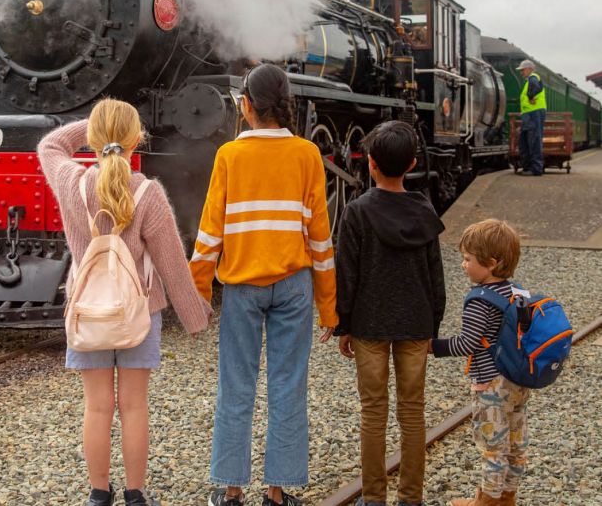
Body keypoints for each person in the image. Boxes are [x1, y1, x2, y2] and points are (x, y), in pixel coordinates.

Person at [38, 98, 211, 506]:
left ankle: (99, 494)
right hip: (139, 314)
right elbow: (172, 264)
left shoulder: (71, 182)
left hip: (87, 315)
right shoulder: (148, 193)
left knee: (97, 408)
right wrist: (195, 318)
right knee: (133, 407)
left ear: (94, 140)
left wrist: (98, 128)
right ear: (138, 140)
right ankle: (136, 495)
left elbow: (49, 146)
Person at [189, 63, 338, 506]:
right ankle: (277, 492)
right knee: (288, 384)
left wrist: (197, 295)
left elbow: (210, 232)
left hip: (242, 286)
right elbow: (320, 238)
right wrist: (330, 308)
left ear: (247, 106)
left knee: (236, 385)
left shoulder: (229, 156)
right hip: (294, 285)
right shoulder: (308, 154)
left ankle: (232, 491)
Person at [335, 120, 446, 506]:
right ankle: (411, 497)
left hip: (369, 324)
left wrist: (343, 325)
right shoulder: (424, 210)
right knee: (413, 413)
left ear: (370, 164)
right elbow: (435, 276)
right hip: (416, 323)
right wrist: (433, 324)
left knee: (373, 412)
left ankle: (374, 498)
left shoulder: (357, 211)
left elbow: (347, 274)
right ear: (413, 162)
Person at [429, 219, 529, 506]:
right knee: (515, 442)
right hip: (518, 381)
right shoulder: (517, 293)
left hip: (491, 385)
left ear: (492, 263)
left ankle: (486, 501)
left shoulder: (479, 301)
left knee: (492, 446)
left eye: (468, 259)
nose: (463, 265)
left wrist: (433, 347)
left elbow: (467, 343)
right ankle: (507, 497)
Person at [516, 58, 546, 176]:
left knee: (533, 140)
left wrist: (530, 96)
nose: (521, 72)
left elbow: (535, 87)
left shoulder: (533, 78)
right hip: (530, 114)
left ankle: (536, 169)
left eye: (522, 70)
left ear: (529, 69)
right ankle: (528, 167)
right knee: (525, 141)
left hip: (534, 113)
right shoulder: (530, 80)